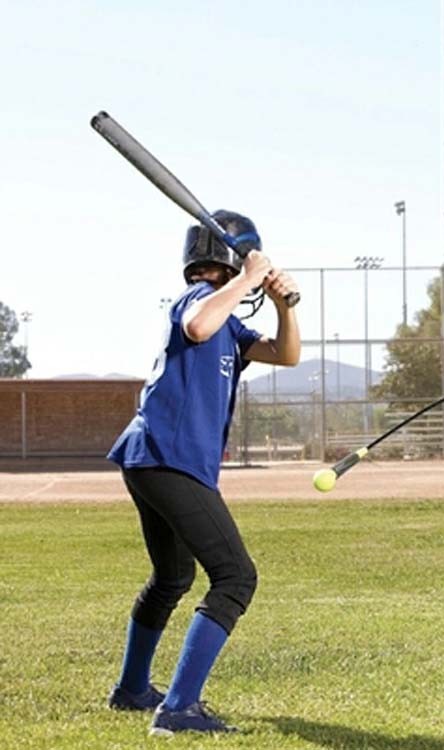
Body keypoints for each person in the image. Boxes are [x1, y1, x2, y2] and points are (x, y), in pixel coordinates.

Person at [106, 210, 300, 735]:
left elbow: (287, 354)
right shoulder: (198, 301)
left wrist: (282, 303)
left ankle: (132, 690)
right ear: (231, 260)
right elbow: (196, 325)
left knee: (173, 576)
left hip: (158, 459)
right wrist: (248, 278)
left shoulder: (231, 323)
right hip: (169, 458)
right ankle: (179, 709)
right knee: (236, 577)